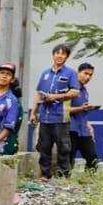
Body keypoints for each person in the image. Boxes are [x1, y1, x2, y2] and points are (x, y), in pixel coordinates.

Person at [30, 43, 80, 179]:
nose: (59, 55)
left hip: (61, 117)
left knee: (63, 148)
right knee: (44, 147)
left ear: (66, 57)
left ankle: (64, 176)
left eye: (63, 53)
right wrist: (33, 112)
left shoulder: (70, 73)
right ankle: (45, 175)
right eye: (57, 53)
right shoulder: (45, 73)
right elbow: (39, 94)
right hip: (45, 118)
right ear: (53, 55)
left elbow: (75, 92)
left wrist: (56, 97)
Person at [68, 62, 99, 171]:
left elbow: (83, 112)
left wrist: (89, 126)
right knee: (68, 160)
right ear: (78, 72)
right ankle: (64, 182)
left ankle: (89, 181)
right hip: (71, 129)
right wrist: (81, 109)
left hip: (83, 130)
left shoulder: (85, 91)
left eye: (90, 75)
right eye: (85, 73)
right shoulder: (70, 90)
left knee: (93, 158)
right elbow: (62, 110)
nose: (88, 77)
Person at [0, 62, 21, 157]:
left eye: (8, 74)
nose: (4, 76)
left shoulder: (12, 100)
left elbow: (8, 127)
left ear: (12, 79)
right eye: (2, 73)